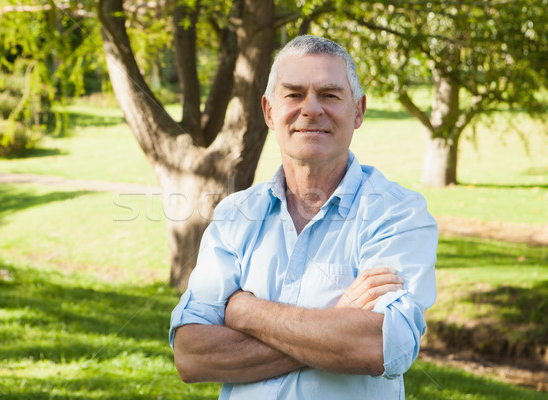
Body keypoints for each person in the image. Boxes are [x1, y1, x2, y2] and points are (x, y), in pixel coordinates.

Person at [169, 35, 437, 399]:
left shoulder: (396, 213)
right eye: (293, 95)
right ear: (269, 112)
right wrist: (333, 325)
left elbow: (379, 346)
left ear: (358, 111)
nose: (311, 109)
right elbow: (191, 355)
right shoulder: (236, 215)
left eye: (329, 94)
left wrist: (243, 312)